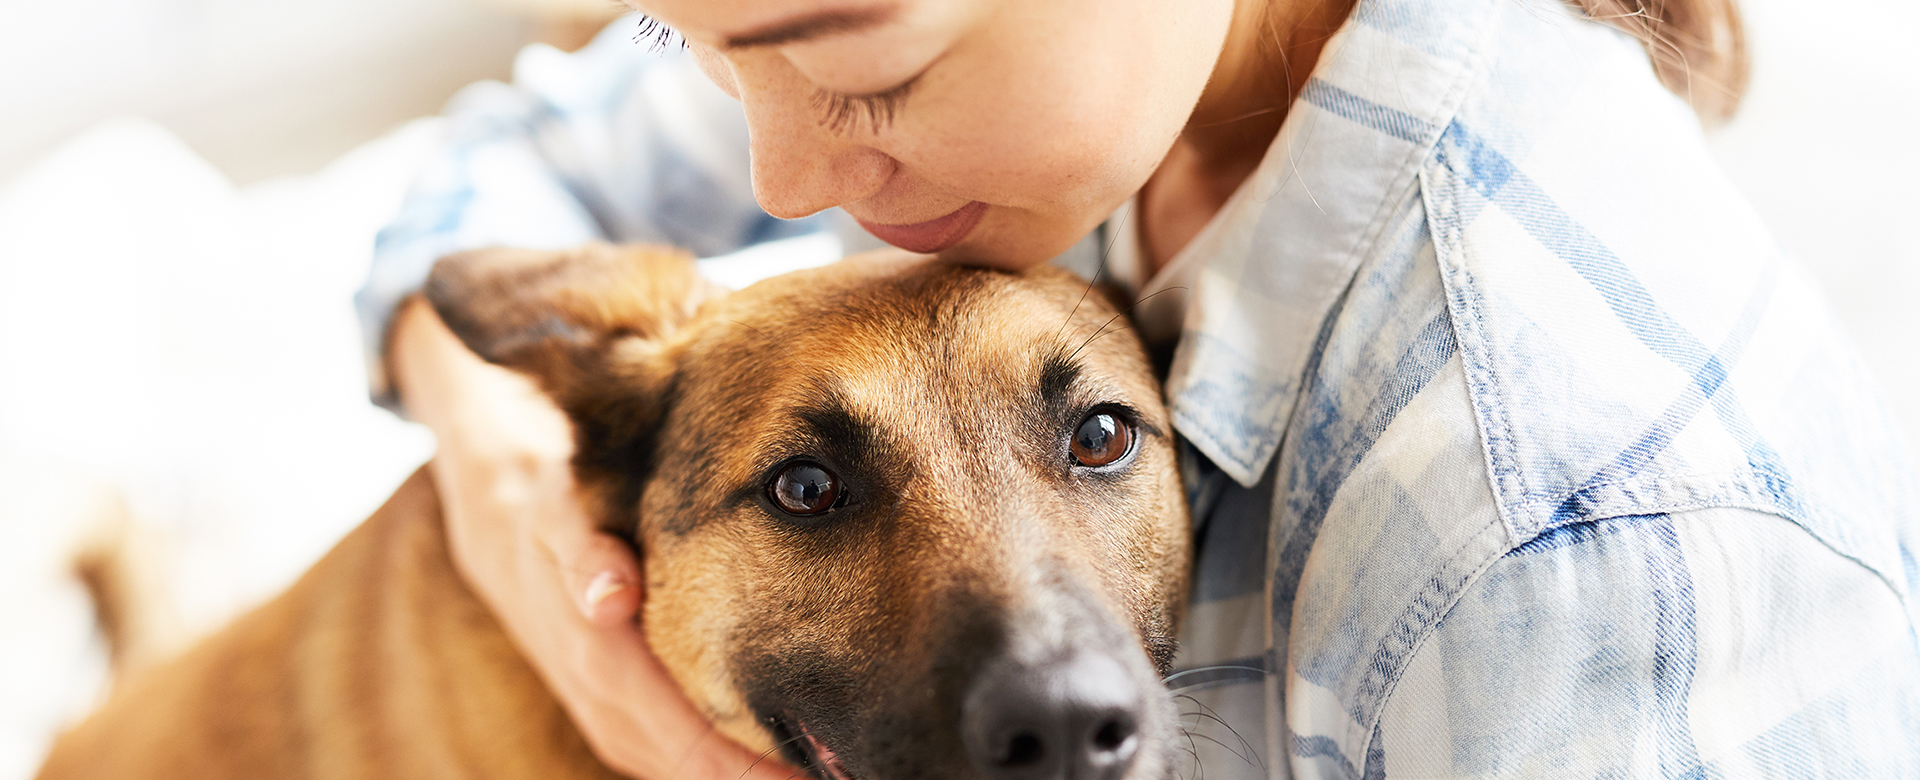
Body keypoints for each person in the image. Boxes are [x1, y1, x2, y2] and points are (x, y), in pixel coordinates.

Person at [358, 0, 1920, 776]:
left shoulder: (1563, 553)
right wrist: (506, 481)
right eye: (703, 45)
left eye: (861, 66)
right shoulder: (1047, 72)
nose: (782, 174)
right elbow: (517, 168)